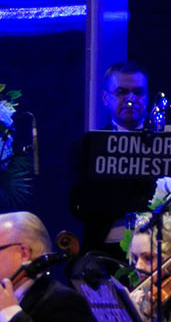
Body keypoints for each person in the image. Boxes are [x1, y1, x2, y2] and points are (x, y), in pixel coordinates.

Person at [68, 61, 159, 250]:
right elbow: (80, 204)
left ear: (147, 97)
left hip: (158, 247)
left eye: (138, 92)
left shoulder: (165, 145)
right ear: (105, 98)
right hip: (104, 249)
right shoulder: (86, 146)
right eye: (121, 92)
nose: (131, 99)